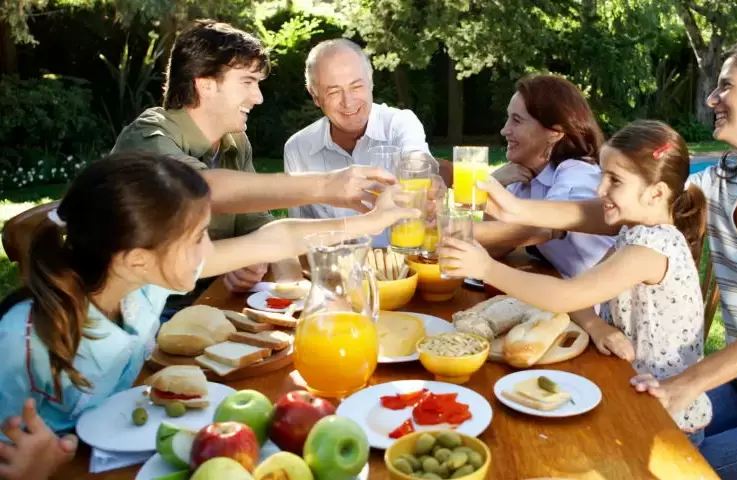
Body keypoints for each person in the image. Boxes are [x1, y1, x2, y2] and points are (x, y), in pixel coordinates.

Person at [470, 36, 737, 479]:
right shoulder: (720, 183)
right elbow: (622, 210)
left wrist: (682, 386)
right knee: (606, 436)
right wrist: (516, 208)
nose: (712, 98)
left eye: (726, 86)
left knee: (667, 469)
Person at [0, 152, 416, 480]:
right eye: (198, 237)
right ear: (137, 258)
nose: (209, 250)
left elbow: (276, 239)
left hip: (123, 449)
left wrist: (371, 221)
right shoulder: (21, 344)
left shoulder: (144, 280)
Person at [441, 120, 711, 443]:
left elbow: (566, 296)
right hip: (629, 390)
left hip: (665, 424)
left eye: (615, 180)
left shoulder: (650, 249)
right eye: (602, 176)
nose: (600, 190)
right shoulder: (635, 231)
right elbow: (580, 293)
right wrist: (596, 326)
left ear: (656, 193)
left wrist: (486, 268)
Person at [112, 21, 394, 300]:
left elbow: (261, 227)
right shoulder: (148, 136)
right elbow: (200, 189)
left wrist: (291, 289)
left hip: (212, 301)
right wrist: (327, 186)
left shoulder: (235, 142)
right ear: (206, 85)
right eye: (247, 82)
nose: (258, 97)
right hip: (145, 312)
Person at [283, 38, 451, 247]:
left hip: (399, 262)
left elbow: (417, 161)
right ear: (315, 95)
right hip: (336, 265)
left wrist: (427, 180)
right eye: (334, 92)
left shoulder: (400, 123)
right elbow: (298, 236)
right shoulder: (297, 148)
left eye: (356, 86)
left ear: (371, 82)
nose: (348, 102)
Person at [475, 74, 614, 278]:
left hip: (610, 296)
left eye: (517, 120)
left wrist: (455, 230)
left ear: (554, 132)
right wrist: (496, 184)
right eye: (508, 118)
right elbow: (492, 248)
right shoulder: (522, 177)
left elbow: (543, 228)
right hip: (573, 292)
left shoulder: (577, 173)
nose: (504, 130)